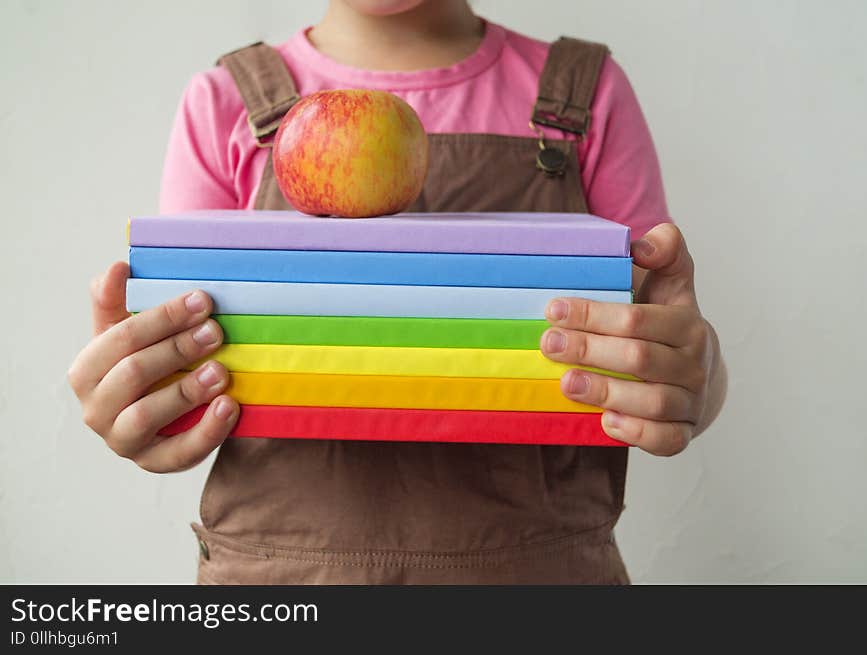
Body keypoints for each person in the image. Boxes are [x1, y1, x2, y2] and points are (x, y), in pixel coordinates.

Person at [68, 0, 727, 584]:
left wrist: (696, 377)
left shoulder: (588, 93)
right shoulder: (224, 105)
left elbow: (657, 344)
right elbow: (185, 366)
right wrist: (146, 398)